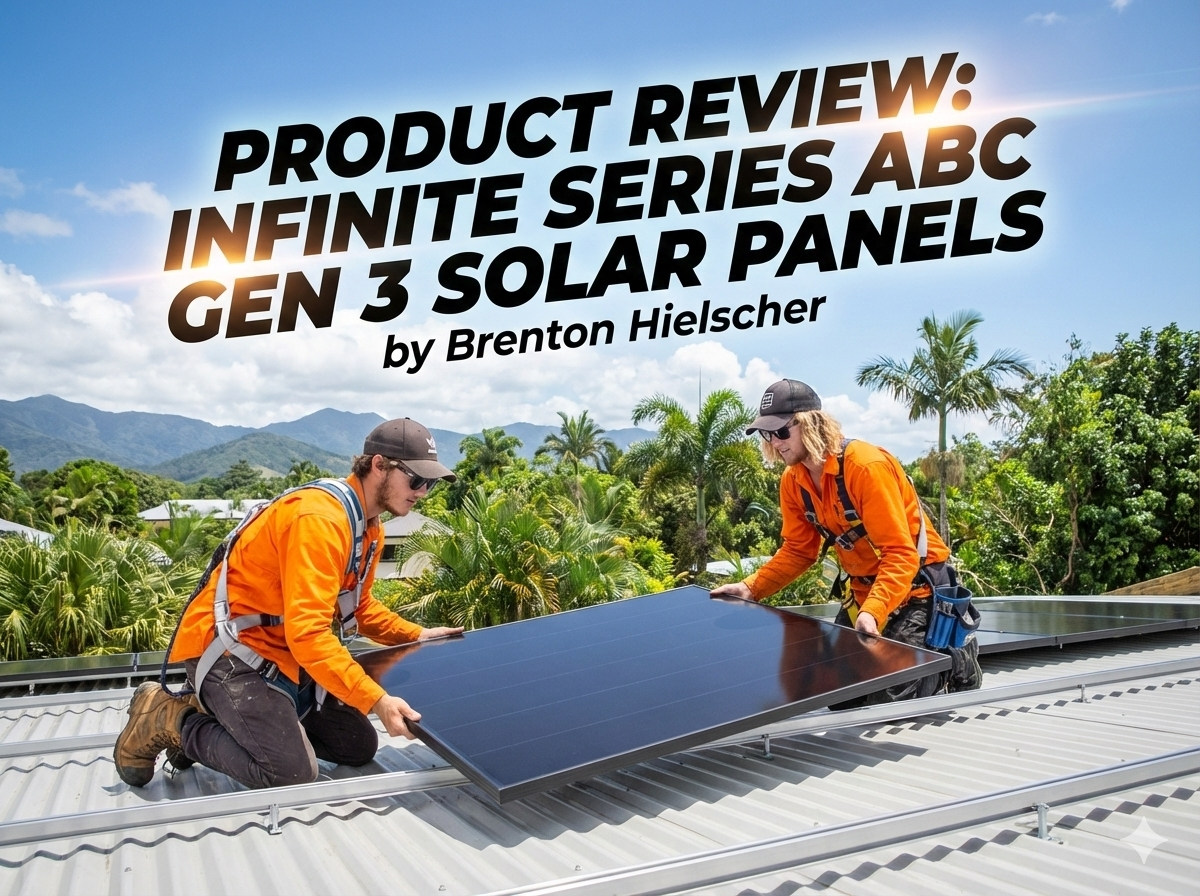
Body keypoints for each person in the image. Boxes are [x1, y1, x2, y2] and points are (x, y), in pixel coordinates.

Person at [114, 417, 463, 789]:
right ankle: (168, 716)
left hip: (283, 657)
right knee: (290, 772)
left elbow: (357, 607)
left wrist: (419, 634)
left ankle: (226, 718)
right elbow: (309, 634)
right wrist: (376, 700)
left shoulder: (369, 526)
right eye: (416, 480)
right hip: (230, 654)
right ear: (379, 465)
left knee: (355, 745)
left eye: (430, 483)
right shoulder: (320, 521)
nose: (423, 491)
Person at [710, 379, 981, 703]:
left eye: (781, 432)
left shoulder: (865, 467)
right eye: (767, 434)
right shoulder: (793, 482)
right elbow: (799, 551)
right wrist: (750, 588)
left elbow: (901, 554)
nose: (775, 442)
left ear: (811, 423)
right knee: (838, 695)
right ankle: (908, 655)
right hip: (863, 592)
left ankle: (954, 662)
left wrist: (873, 612)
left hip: (915, 590)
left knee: (892, 698)